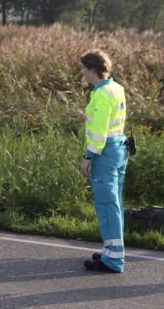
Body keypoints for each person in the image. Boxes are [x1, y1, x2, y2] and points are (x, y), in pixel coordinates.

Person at [79, 49, 128, 273]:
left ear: (92, 69)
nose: (82, 73)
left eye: (84, 68)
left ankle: (113, 261)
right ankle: (112, 251)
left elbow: (99, 130)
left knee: (107, 205)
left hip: (105, 152)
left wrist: (88, 157)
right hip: (120, 149)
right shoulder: (117, 88)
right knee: (114, 203)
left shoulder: (101, 94)